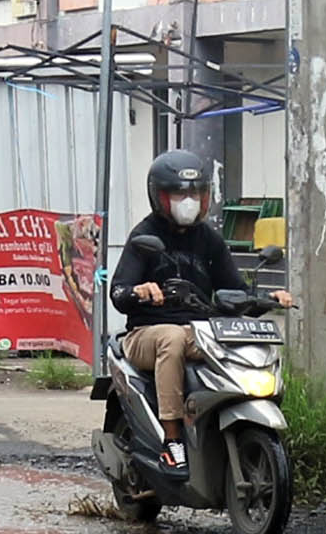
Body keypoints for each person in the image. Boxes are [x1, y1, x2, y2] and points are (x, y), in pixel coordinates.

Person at [113, 149, 285, 460]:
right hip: (145, 334)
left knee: (238, 343)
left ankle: (214, 421)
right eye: (179, 193)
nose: (189, 200)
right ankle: (172, 438)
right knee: (172, 337)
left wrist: (269, 300)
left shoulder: (210, 240)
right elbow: (118, 294)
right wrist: (140, 291)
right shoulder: (144, 236)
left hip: (199, 331)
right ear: (159, 196)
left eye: (196, 192)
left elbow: (237, 293)